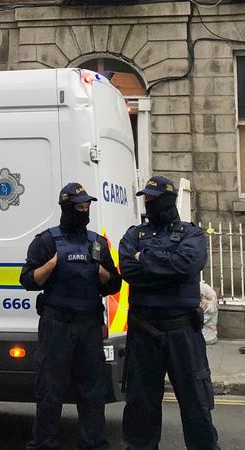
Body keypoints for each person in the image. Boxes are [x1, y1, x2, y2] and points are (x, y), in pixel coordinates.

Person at [119, 175, 219, 450]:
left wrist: (146, 260)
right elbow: (128, 270)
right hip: (143, 331)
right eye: (145, 198)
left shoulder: (192, 234)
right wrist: (166, 266)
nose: (147, 203)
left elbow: (188, 265)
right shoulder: (133, 235)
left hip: (182, 331)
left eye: (152, 198)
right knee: (140, 407)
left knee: (196, 404)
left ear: (167, 199)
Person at [20, 182, 121, 450]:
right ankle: (44, 443)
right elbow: (27, 280)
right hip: (57, 325)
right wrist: (50, 266)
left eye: (87, 205)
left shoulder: (96, 243)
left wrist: (104, 274)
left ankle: (94, 444)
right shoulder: (46, 241)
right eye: (80, 206)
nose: (85, 209)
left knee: (92, 392)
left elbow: (115, 285)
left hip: (88, 324)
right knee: (50, 391)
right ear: (67, 207)